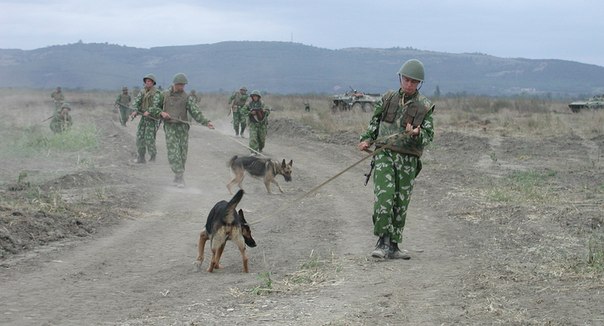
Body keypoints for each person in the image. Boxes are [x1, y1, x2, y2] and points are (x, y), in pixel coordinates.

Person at [357, 59, 435, 260]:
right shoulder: (388, 98)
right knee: (385, 197)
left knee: (400, 202)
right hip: (384, 154)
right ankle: (382, 242)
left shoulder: (425, 106)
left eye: (414, 82)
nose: (409, 85)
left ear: (419, 84)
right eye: (406, 80)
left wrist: (417, 133)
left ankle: (394, 245)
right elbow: (374, 123)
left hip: (408, 161)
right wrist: (366, 139)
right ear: (400, 79)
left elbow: (429, 135)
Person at [156, 73, 214, 187]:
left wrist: (206, 122)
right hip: (170, 126)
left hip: (182, 128)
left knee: (182, 153)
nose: (181, 87)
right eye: (179, 85)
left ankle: (179, 177)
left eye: (183, 85)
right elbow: (153, 107)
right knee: (173, 152)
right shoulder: (164, 95)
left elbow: (195, 112)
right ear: (174, 84)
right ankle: (179, 175)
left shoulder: (187, 97)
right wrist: (161, 112)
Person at [130, 73, 162, 163]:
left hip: (152, 119)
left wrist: (150, 111)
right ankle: (141, 157)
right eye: (146, 81)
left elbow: (156, 105)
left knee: (149, 138)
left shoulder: (157, 93)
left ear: (153, 83)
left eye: (149, 81)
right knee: (140, 137)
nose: (147, 83)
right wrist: (135, 110)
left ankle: (153, 156)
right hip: (144, 117)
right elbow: (137, 102)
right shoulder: (142, 92)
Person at [242, 90, 270, 155]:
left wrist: (264, 111)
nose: (255, 97)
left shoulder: (262, 104)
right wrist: (250, 113)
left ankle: (260, 148)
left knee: (262, 139)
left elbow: (268, 111)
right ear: (252, 97)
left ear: (258, 97)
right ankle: (253, 151)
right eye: (253, 96)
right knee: (253, 138)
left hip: (262, 124)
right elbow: (242, 111)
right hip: (253, 124)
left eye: (256, 96)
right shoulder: (249, 104)